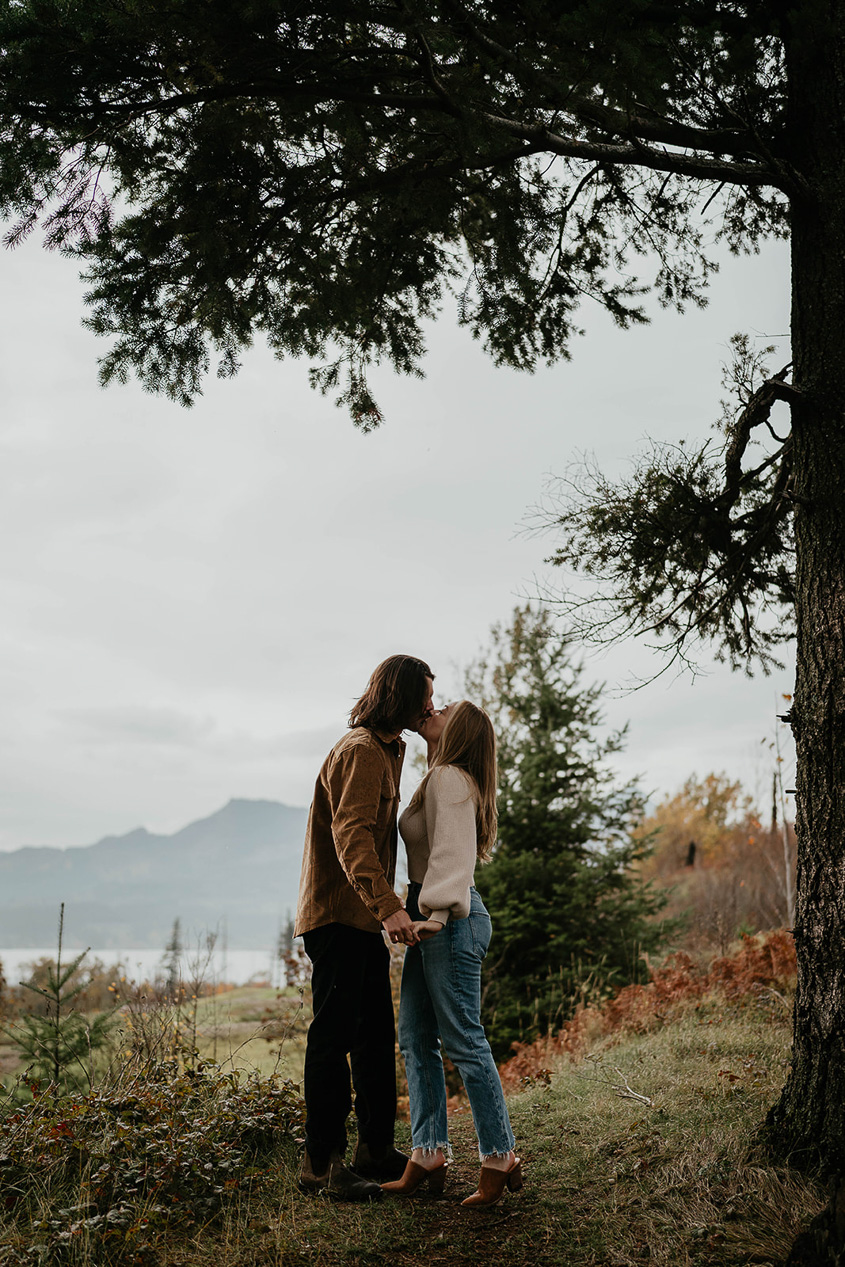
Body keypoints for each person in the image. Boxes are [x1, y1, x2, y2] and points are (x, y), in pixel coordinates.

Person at [294, 654, 435, 1200]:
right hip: (336, 916)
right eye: (423, 696)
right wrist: (390, 907)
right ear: (400, 697)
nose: (429, 705)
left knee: (375, 1036)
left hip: (362, 921)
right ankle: (320, 1168)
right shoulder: (360, 751)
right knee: (331, 1040)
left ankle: (374, 1150)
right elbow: (351, 834)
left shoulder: (390, 749)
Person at [382, 700, 523, 1208]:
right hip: (437, 914)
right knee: (416, 1037)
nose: (432, 709)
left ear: (458, 729)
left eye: (444, 709)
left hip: (451, 920)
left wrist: (436, 915)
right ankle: (428, 1151)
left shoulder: (451, 780)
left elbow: (453, 855)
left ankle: (500, 1155)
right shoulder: (440, 775)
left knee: (463, 1039)